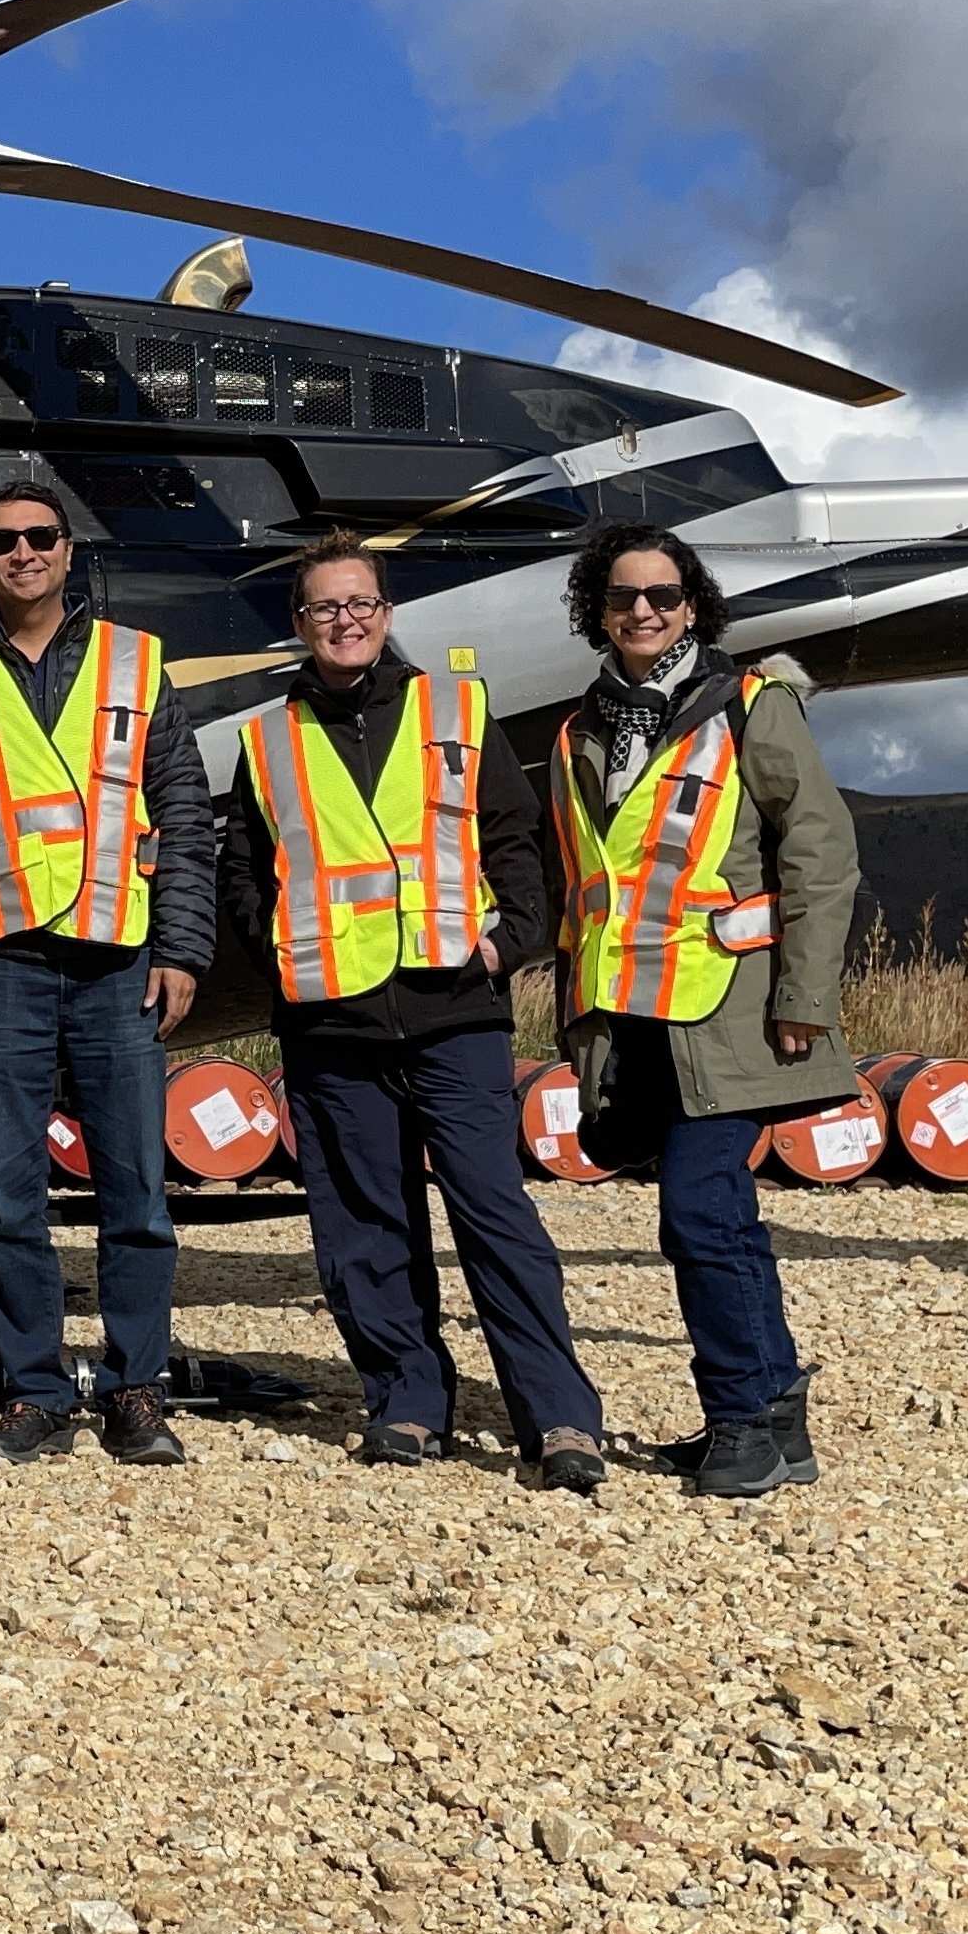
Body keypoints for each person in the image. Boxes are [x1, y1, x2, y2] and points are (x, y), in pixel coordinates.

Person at [218, 536, 607, 1492]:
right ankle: (406, 1403)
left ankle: (557, 1416)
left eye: (360, 605)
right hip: (330, 1019)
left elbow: (516, 839)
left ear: (386, 615)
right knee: (362, 1223)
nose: (343, 622)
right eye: (322, 609)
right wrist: (274, 942)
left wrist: (509, 941)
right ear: (299, 625)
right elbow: (240, 869)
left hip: (452, 1011)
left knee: (495, 1215)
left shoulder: (456, 712)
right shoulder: (266, 740)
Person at [0, 483, 215, 1467]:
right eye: (3, 541)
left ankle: (136, 1391)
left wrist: (184, 949)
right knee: (4, 1199)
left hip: (118, 959)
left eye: (40, 537)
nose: (23, 554)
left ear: (67, 551)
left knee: (138, 1193)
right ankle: (34, 1391)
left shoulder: (137, 662)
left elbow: (186, 814)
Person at [551, 521, 860, 1498]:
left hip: (733, 1009)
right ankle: (776, 1421)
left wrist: (805, 998)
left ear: (694, 606)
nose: (644, 611)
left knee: (695, 1217)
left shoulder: (753, 709)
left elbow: (822, 856)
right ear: (596, 612)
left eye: (664, 596)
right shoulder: (581, 730)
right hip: (635, 1017)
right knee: (721, 1220)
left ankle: (738, 1422)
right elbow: (595, 884)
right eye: (623, 597)